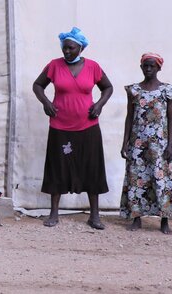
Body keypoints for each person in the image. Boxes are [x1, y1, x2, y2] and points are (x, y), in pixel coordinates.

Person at [32, 27, 113, 230]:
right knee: (57, 167)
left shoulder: (93, 67)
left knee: (91, 168)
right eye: (64, 48)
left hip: (88, 126)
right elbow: (37, 85)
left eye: (70, 48)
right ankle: (53, 213)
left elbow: (108, 87)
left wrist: (99, 104)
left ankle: (94, 215)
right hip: (60, 125)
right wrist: (45, 102)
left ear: (80, 48)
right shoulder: (54, 66)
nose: (66, 52)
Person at [120, 52, 172, 234]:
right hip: (138, 144)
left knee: (161, 180)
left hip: (160, 145)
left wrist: (170, 146)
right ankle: (136, 218)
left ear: (159, 68)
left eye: (152, 66)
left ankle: (165, 220)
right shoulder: (134, 90)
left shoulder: (168, 91)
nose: (148, 69)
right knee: (136, 179)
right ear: (141, 67)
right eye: (145, 66)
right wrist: (125, 142)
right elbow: (129, 117)